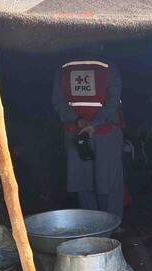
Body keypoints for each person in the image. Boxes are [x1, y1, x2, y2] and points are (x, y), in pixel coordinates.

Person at [52, 53, 124, 220]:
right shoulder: (108, 65)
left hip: (76, 133)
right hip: (105, 133)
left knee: (83, 181)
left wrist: (79, 121)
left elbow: (57, 102)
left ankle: (91, 224)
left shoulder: (64, 67)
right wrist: (94, 124)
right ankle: (111, 224)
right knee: (109, 181)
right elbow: (113, 101)